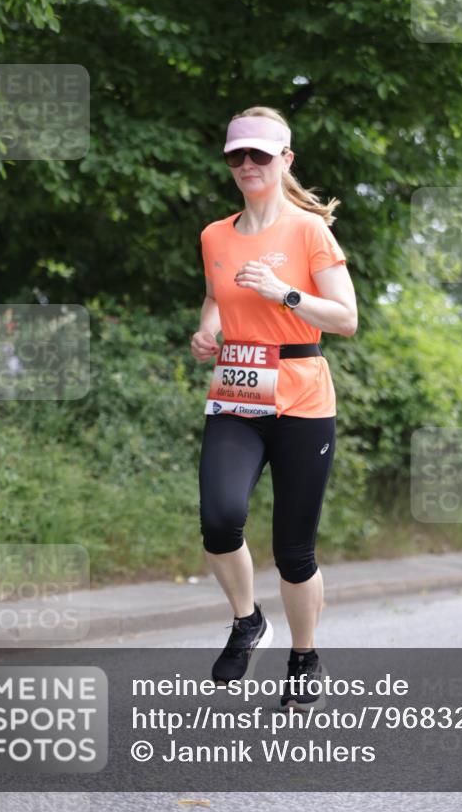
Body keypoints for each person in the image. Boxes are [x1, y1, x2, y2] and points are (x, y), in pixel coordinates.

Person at [191, 105, 358, 709]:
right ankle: (246, 620)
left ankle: (304, 656)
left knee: (294, 549)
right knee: (219, 517)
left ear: (285, 160)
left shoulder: (309, 230)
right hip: (238, 390)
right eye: (236, 155)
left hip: (303, 396)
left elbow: (346, 318)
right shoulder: (214, 234)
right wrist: (207, 329)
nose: (246, 165)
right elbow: (216, 298)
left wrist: (285, 293)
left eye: (259, 154)